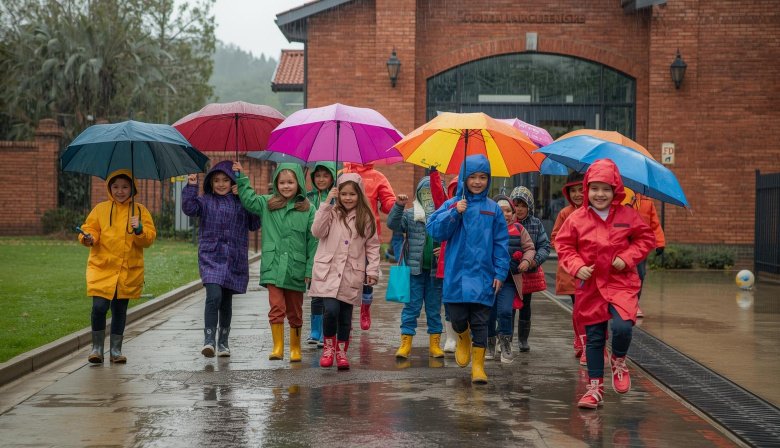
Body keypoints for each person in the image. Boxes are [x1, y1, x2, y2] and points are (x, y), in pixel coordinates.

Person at [555, 159, 655, 409]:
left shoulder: (628, 215)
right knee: (595, 338)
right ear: (587, 189)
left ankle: (619, 360)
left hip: (621, 283)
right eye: (595, 188)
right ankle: (594, 388)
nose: (600, 194)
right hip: (590, 286)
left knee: (623, 327)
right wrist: (577, 266)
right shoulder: (577, 218)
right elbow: (564, 246)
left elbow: (645, 239)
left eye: (606, 189)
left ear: (616, 190)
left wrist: (626, 257)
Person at [427, 154, 509, 384]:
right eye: (472, 177)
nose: (477, 182)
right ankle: (462, 336)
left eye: (483, 177)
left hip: (484, 276)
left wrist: (500, 273)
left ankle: (479, 367)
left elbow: (501, 243)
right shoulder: (452, 205)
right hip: (456, 275)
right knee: (458, 317)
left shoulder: (493, 209)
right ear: (464, 178)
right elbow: (434, 230)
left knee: (482, 322)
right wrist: (455, 212)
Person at [234, 161, 316, 363]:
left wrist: (309, 268)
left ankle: (295, 348)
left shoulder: (308, 209)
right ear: (275, 183)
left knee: (295, 311)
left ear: (299, 184)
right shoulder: (267, 203)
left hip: (295, 268)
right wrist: (242, 178)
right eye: (282, 182)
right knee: (276, 306)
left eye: (290, 182)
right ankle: (278, 346)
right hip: (273, 265)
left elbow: (313, 242)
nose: (286, 186)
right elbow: (249, 200)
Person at [182, 161, 260, 358]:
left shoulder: (241, 201)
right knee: (214, 296)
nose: (221, 184)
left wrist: (244, 190)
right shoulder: (205, 201)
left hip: (234, 257)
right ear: (210, 182)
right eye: (216, 180)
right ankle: (209, 340)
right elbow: (189, 208)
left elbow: (255, 222)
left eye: (226, 180)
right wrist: (191, 186)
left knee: (226, 302)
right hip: (211, 256)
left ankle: (223, 342)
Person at [79, 170, 156, 364]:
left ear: (132, 188)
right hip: (102, 267)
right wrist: (88, 238)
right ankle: (97, 348)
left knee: (119, 309)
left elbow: (149, 239)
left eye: (125, 187)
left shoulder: (140, 211)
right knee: (99, 307)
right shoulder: (100, 209)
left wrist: (139, 230)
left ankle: (115, 350)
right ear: (109, 188)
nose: (120, 191)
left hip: (127, 270)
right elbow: (90, 229)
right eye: (115, 187)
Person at [309, 174, 380, 370]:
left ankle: (341, 352)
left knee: (345, 317)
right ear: (338, 194)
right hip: (329, 273)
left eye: (352, 194)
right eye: (343, 194)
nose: (348, 198)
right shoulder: (330, 212)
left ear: (359, 195)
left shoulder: (365, 217)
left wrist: (372, 269)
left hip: (351, 275)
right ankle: (329, 348)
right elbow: (316, 232)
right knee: (330, 311)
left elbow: (372, 246)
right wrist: (325, 204)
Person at [387, 176, 444, 360]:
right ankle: (405, 343)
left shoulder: (444, 215)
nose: (428, 197)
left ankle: (435, 344)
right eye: (424, 193)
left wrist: (444, 250)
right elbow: (392, 224)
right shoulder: (411, 215)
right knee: (411, 308)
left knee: (434, 309)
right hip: (414, 272)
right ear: (419, 195)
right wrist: (398, 206)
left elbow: (453, 237)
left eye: (432, 193)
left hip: (436, 273)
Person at [341, 162, 396, 330]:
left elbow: (388, 203)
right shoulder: (342, 174)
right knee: (344, 277)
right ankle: (346, 315)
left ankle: (365, 309)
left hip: (367, 234)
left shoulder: (378, 177)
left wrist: (396, 205)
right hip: (344, 233)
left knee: (366, 277)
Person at [487, 194, 535, 363]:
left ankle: (505, 341)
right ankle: (489, 340)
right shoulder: (487, 227)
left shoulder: (519, 229)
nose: (505, 214)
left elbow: (529, 247)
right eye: (501, 211)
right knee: (489, 313)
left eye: (508, 211)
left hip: (509, 280)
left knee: (506, 311)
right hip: (489, 279)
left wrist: (526, 260)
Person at [509, 186, 552, 352]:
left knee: (525, 305)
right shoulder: (507, 222)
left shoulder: (535, 224)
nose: (519, 209)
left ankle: (523, 339)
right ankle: (507, 337)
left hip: (529, 273)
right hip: (511, 273)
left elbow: (544, 245)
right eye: (516, 205)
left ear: (529, 207)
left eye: (523, 205)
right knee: (509, 306)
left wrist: (535, 260)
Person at [551, 171, 587, 362]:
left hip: (592, 271)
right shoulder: (565, 213)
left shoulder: (594, 213)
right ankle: (581, 339)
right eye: (573, 191)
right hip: (572, 271)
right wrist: (570, 248)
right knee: (579, 308)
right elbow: (555, 238)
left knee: (591, 309)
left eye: (582, 190)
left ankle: (590, 341)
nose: (577, 194)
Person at [306, 162, 337, 346]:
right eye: (317, 176)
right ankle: (315, 330)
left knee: (330, 294)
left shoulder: (338, 198)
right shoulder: (309, 198)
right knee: (315, 293)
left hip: (331, 251)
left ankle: (327, 330)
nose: (321, 179)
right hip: (313, 251)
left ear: (332, 178)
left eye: (325, 176)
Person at [622, 188, 666, 318]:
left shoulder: (647, 201)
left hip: (641, 246)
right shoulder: (620, 196)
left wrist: (660, 242)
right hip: (623, 243)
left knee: (640, 274)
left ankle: (635, 303)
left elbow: (654, 224)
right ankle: (621, 303)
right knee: (622, 275)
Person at [430, 171, 459, 353]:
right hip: (448, 265)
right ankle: (450, 337)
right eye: (455, 191)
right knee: (448, 300)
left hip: (467, 263)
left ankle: (464, 336)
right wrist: (433, 171)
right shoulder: (447, 206)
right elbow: (436, 193)